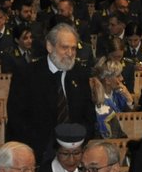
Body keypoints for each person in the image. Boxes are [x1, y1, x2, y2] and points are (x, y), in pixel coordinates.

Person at [6, 22, 97, 157]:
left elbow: (88, 117)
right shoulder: (26, 74)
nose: (70, 53)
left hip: (74, 152)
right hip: (37, 152)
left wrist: (76, 145)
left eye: (73, 48)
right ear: (49, 46)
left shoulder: (80, 74)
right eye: (65, 48)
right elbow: (17, 119)